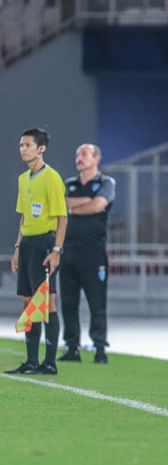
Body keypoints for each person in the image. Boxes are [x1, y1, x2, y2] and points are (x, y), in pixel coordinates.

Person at [5, 128, 67, 375]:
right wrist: (18, 247)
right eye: (21, 145)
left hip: (45, 244)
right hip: (28, 244)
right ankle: (31, 361)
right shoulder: (23, 179)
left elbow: (62, 218)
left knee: (48, 302)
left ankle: (49, 363)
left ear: (41, 148)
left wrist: (56, 251)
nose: (23, 149)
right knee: (29, 302)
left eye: (28, 145)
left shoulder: (52, 177)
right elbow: (23, 218)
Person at [59, 144, 116, 364]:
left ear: (96, 158)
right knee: (69, 303)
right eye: (77, 154)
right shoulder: (69, 184)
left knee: (97, 302)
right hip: (69, 251)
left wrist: (74, 207)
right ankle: (72, 347)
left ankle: (100, 348)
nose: (79, 158)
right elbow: (61, 204)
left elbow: (98, 206)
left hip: (93, 253)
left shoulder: (106, 183)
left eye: (84, 154)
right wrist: (86, 202)